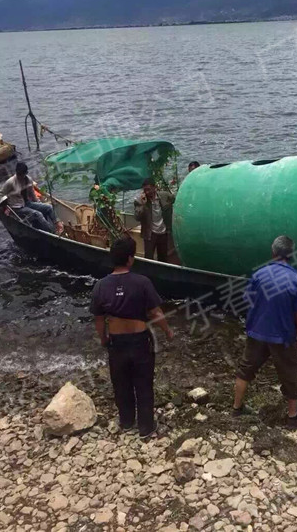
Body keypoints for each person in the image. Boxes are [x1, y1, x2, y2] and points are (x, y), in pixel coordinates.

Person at [90, 236, 174, 437]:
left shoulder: (101, 286)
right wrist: (168, 331)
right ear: (130, 259)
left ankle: (126, 421)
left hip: (116, 343)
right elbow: (155, 312)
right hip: (139, 341)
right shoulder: (142, 282)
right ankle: (146, 426)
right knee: (144, 383)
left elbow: (99, 319)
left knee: (121, 383)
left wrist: (103, 339)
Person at [233, 235, 297, 425]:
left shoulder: (259, 274)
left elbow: (247, 300)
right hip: (282, 336)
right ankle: (292, 416)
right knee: (290, 373)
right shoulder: (296, 280)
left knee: (245, 370)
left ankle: (236, 408)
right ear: (291, 254)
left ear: (273, 252)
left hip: (256, 333)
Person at [0, 161, 58, 233]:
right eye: (19, 174)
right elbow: (1, 193)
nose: (20, 176)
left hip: (27, 203)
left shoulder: (28, 180)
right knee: (38, 214)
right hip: (17, 207)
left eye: (22, 174)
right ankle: (52, 232)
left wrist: (39, 203)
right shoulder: (10, 182)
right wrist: (5, 206)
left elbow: (32, 193)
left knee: (49, 207)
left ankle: (57, 226)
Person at [134, 178, 172, 261]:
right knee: (149, 259)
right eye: (145, 190)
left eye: (148, 189)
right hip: (150, 234)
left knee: (163, 258)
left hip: (163, 232)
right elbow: (137, 217)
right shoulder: (139, 201)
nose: (147, 192)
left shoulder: (165, 196)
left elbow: (174, 200)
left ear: (154, 187)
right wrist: (142, 205)